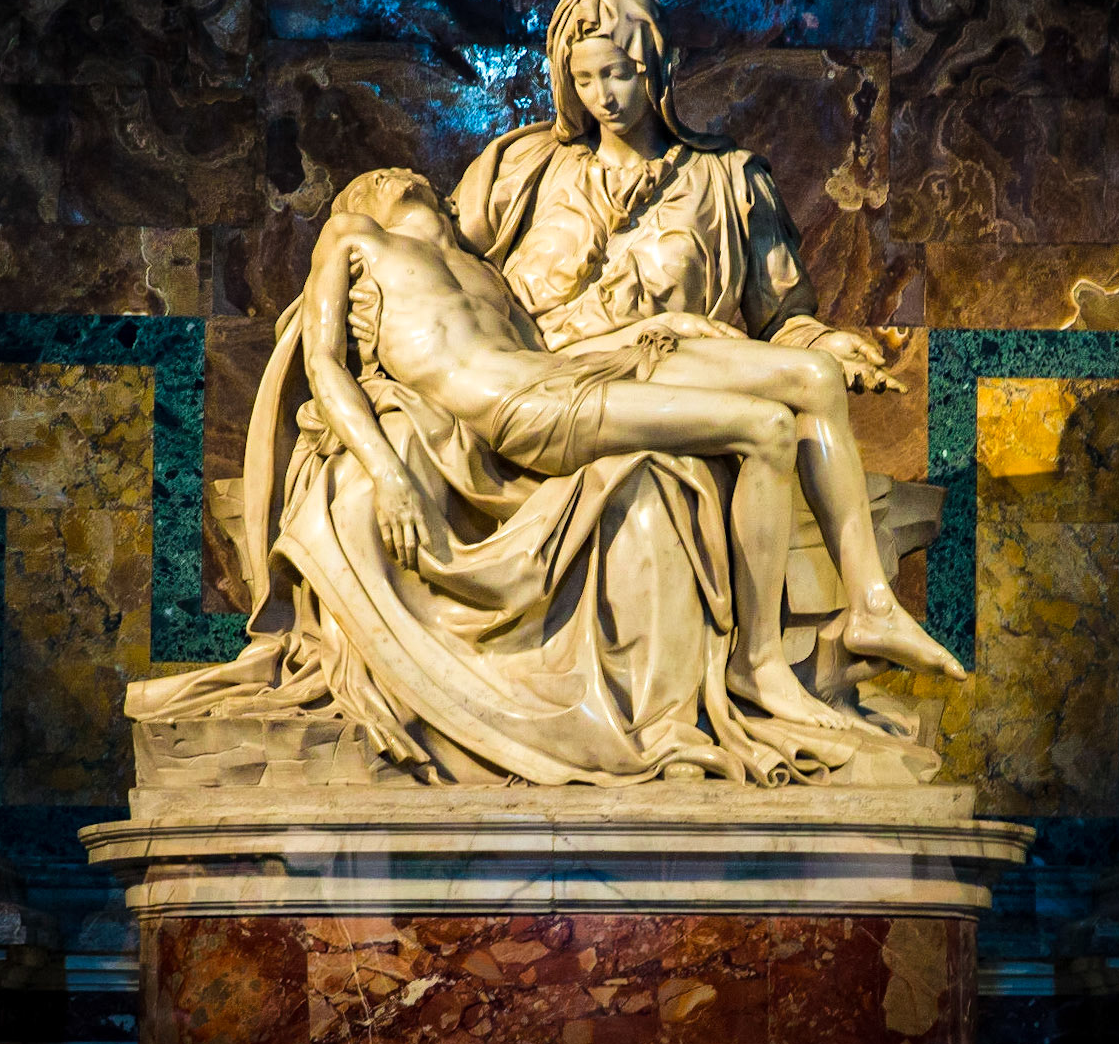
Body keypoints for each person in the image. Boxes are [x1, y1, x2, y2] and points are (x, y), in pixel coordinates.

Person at [310, 165, 954, 732]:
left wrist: (657, 326)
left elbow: (548, 354)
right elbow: (323, 364)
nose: (388, 176)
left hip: (557, 379)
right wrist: (386, 472)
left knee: (814, 378)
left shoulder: (486, 276)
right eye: (371, 180)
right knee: (767, 428)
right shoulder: (352, 236)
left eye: (393, 172)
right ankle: (758, 664)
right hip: (520, 410)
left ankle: (872, 604)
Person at [446, 0, 954, 682]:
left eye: (618, 74)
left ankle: (871, 606)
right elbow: (432, 266)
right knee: (756, 419)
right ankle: (785, 649)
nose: (602, 96)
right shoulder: (518, 171)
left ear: (657, 67)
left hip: (666, 366)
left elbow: (782, 318)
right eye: (584, 78)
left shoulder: (729, 179)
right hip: (548, 382)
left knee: (813, 374)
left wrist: (821, 339)